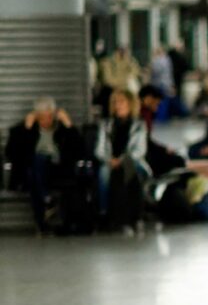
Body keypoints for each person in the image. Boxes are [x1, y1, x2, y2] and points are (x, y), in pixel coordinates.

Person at [5, 97, 86, 232]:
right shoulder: (22, 129)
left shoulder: (62, 129)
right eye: (42, 118)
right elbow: (13, 154)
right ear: (36, 116)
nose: (46, 121)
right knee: (34, 168)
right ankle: (46, 204)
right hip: (35, 170)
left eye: (50, 117)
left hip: (58, 168)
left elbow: (80, 151)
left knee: (35, 169)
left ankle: (44, 214)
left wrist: (69, 125)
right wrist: (26, 130)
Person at [96, 89, 148, 233]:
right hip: (110, 161)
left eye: (121, 102)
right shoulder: (106, 125)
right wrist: (109, 160)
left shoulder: (139, 125)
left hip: (131, 160)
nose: (118, 105)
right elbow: (99, 150)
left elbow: (140, 150)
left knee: (132, 171)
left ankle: (135, 216)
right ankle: (105, 212)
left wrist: (122, 160)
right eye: (115, 102)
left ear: (130, 104)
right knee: (104, 174)